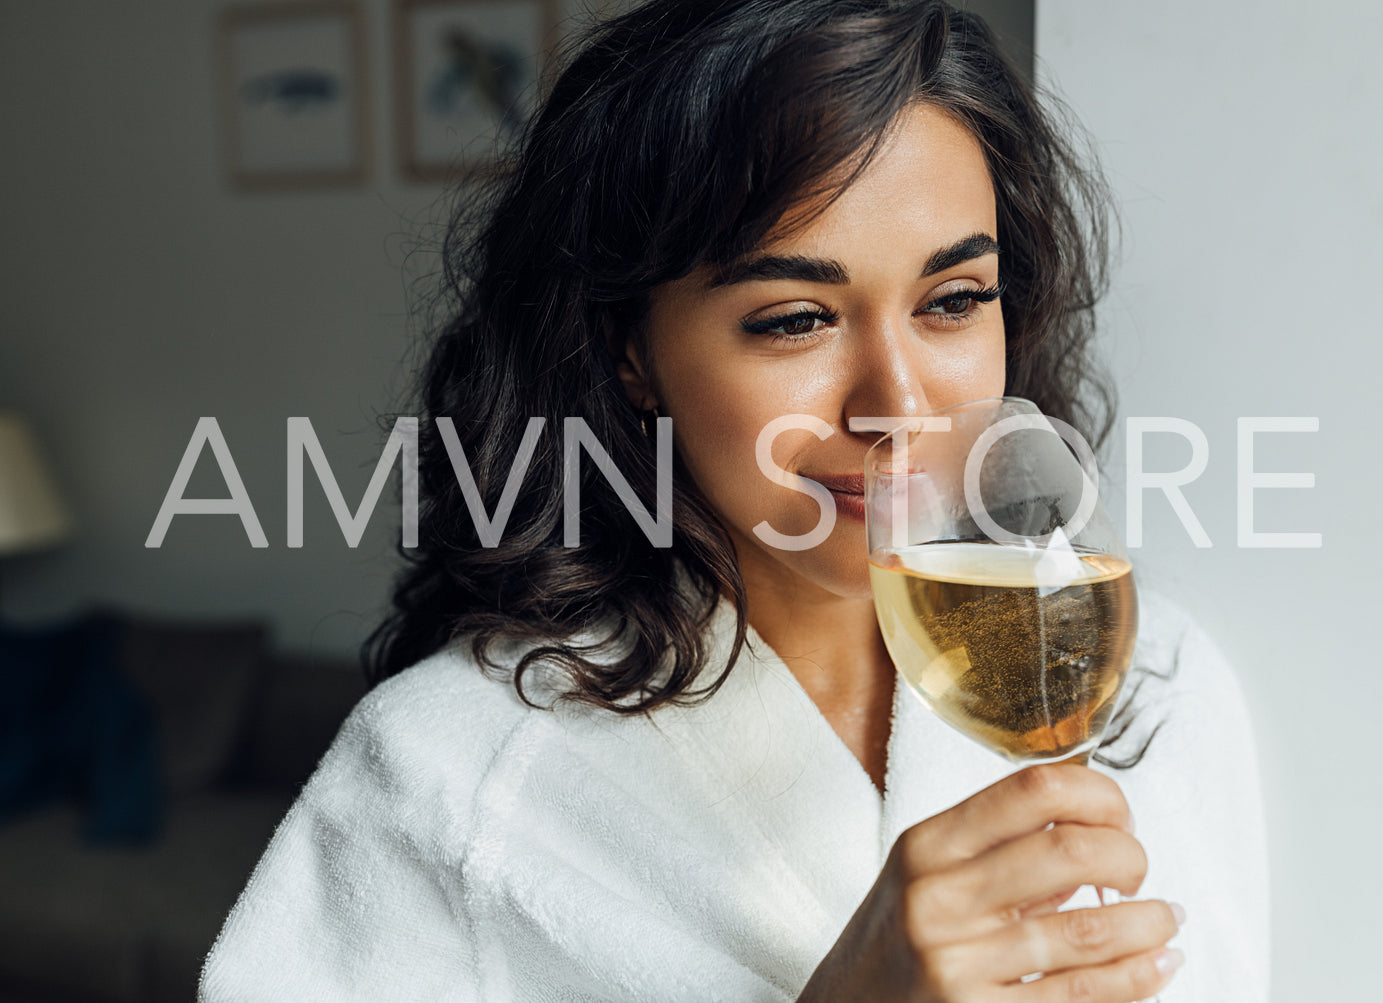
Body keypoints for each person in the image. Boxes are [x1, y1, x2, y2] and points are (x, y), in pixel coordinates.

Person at [199, 1, 1269, 1000]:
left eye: (952, 301)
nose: (897, 405)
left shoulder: (1157, 691)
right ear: (631, 355)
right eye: (795, 319)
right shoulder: (442, 780)